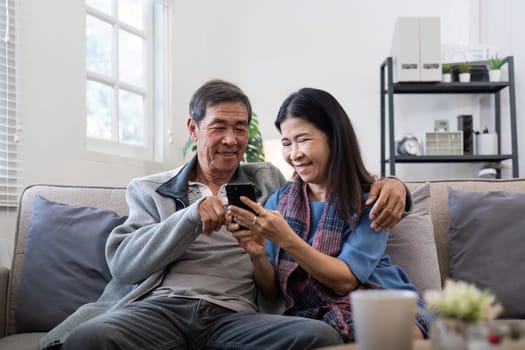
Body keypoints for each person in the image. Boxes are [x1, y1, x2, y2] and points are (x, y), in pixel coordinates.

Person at [41, 80, 410, 350]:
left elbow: (329, 182)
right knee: (89, 339)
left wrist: (396, 185)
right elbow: (123, 265)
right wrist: (189, 219)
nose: (231, 140)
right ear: (194, 129)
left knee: (317, 337)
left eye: (240, 128)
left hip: (236, 317)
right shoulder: (150, 189)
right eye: (219, 126)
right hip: (161, 309)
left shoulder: (269, 182)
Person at [226, 87, 432, 343]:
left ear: (333, 139)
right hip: (313, 314)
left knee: (387, 333)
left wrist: (286, 238)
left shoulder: (370, 201)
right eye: (287, 143)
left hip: (380, 300)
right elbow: (271, 292)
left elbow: (345, 280)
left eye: (303, 139)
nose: (294, 154)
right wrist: (256, 253)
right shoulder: (279, 200)